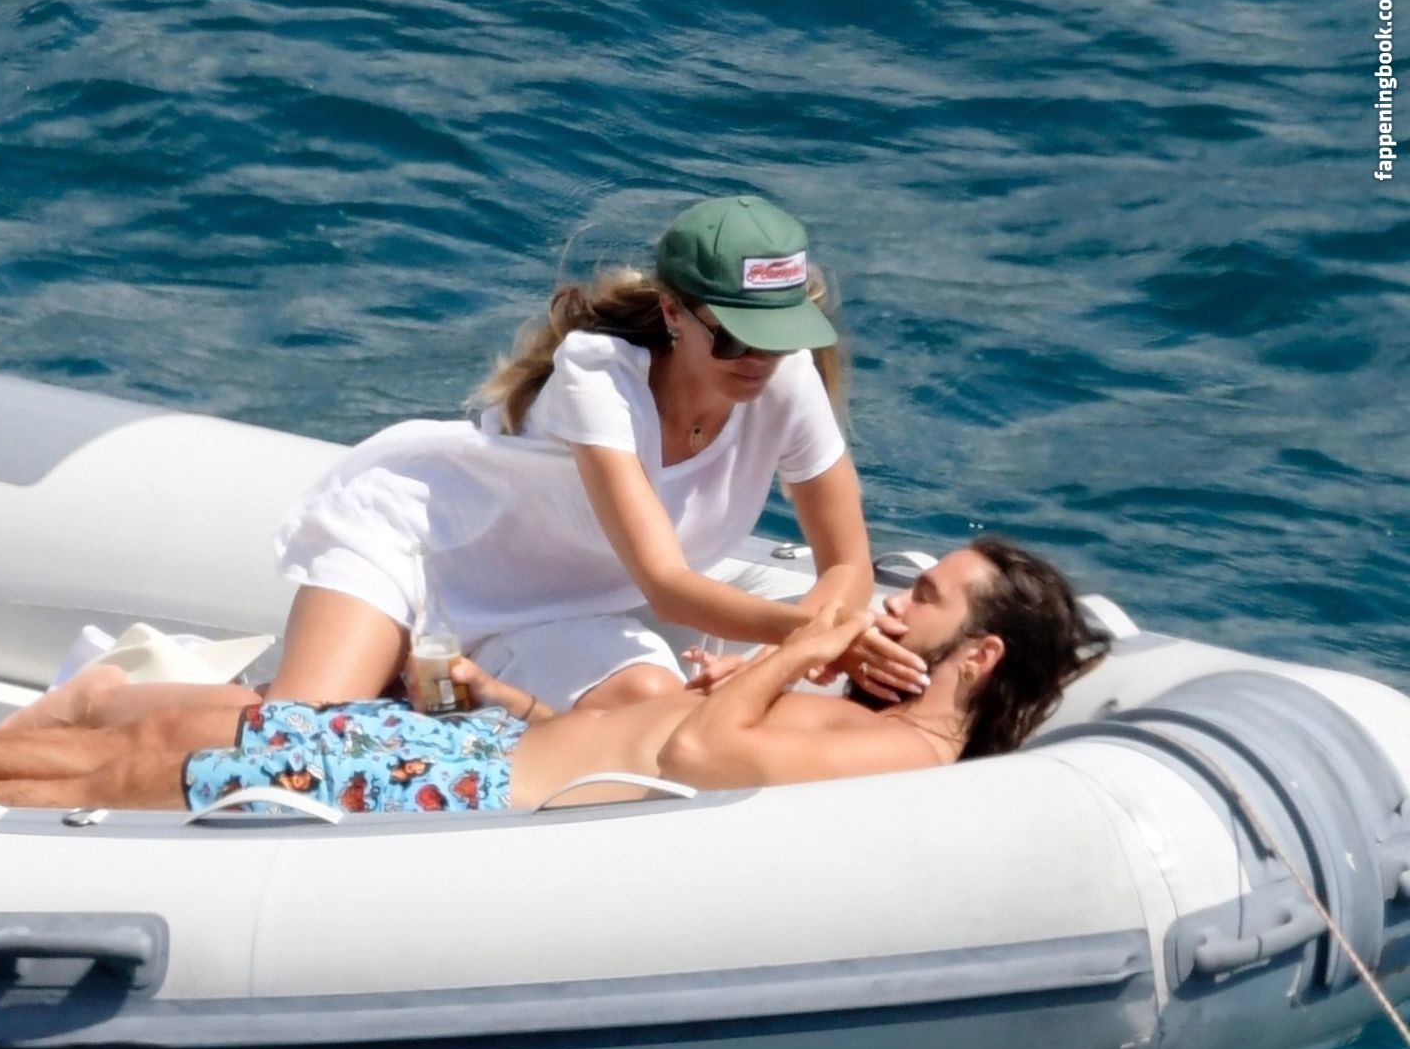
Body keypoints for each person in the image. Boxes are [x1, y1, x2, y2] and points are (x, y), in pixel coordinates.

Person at [0, 539, 1107, 811]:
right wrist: (765, 667)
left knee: (145, 762)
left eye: (921, 598)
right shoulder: (878, 727)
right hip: (478, 762)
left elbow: (702, 757)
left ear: (975, 655)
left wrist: (797, 647)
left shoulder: (906, 753)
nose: (888, 603)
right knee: (185, 729)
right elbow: (673, 738)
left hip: (469, 794)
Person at [267, 195, 927, 715]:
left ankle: (421, 697)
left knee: (654, 709)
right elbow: (666, 586)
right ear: (673, 312)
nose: (759, 359)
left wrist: (772, 663)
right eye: (736, 337)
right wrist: (808, 641)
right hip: (420, 554)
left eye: (778, 337)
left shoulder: (787, 381)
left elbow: (847, 564)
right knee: (299, 738)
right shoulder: (598, 373)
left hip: (562, 611)